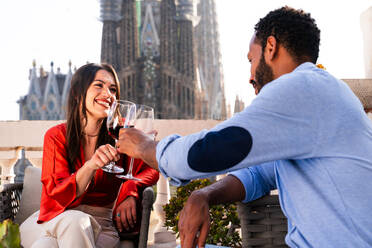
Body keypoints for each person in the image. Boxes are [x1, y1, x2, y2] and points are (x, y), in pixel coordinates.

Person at [116, 6, 372, 248]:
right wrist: (204, 195)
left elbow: (214, 149)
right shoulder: (320, 96)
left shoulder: (302, 90)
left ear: (271, 48)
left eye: (251, 59)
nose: (250, 75)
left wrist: (147, 147)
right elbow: (260, 174)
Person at [20, 63, 159, 248]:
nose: (108, 94)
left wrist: (130, 187)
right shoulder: (56, 136)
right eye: (99, 85)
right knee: (76, 221)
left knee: (45, 246)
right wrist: (91, 165)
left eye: (113, 89)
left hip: (101, 225)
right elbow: (57, 196)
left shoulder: (123, 134)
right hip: (51, 220)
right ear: (78, 93)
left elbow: (152, 169)